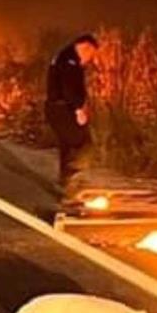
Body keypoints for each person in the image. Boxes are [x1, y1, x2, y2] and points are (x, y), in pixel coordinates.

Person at [45, 34, 99, 194]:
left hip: (58, 108)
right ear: (85, 47)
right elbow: (69, 88)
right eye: (91, 54)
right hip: (63, 109)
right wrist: (78, 110)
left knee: (67, 146)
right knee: (82, 143)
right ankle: (74, 180)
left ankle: (66, 185)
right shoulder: (69, 61)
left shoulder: (65, 56)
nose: (90, 58)